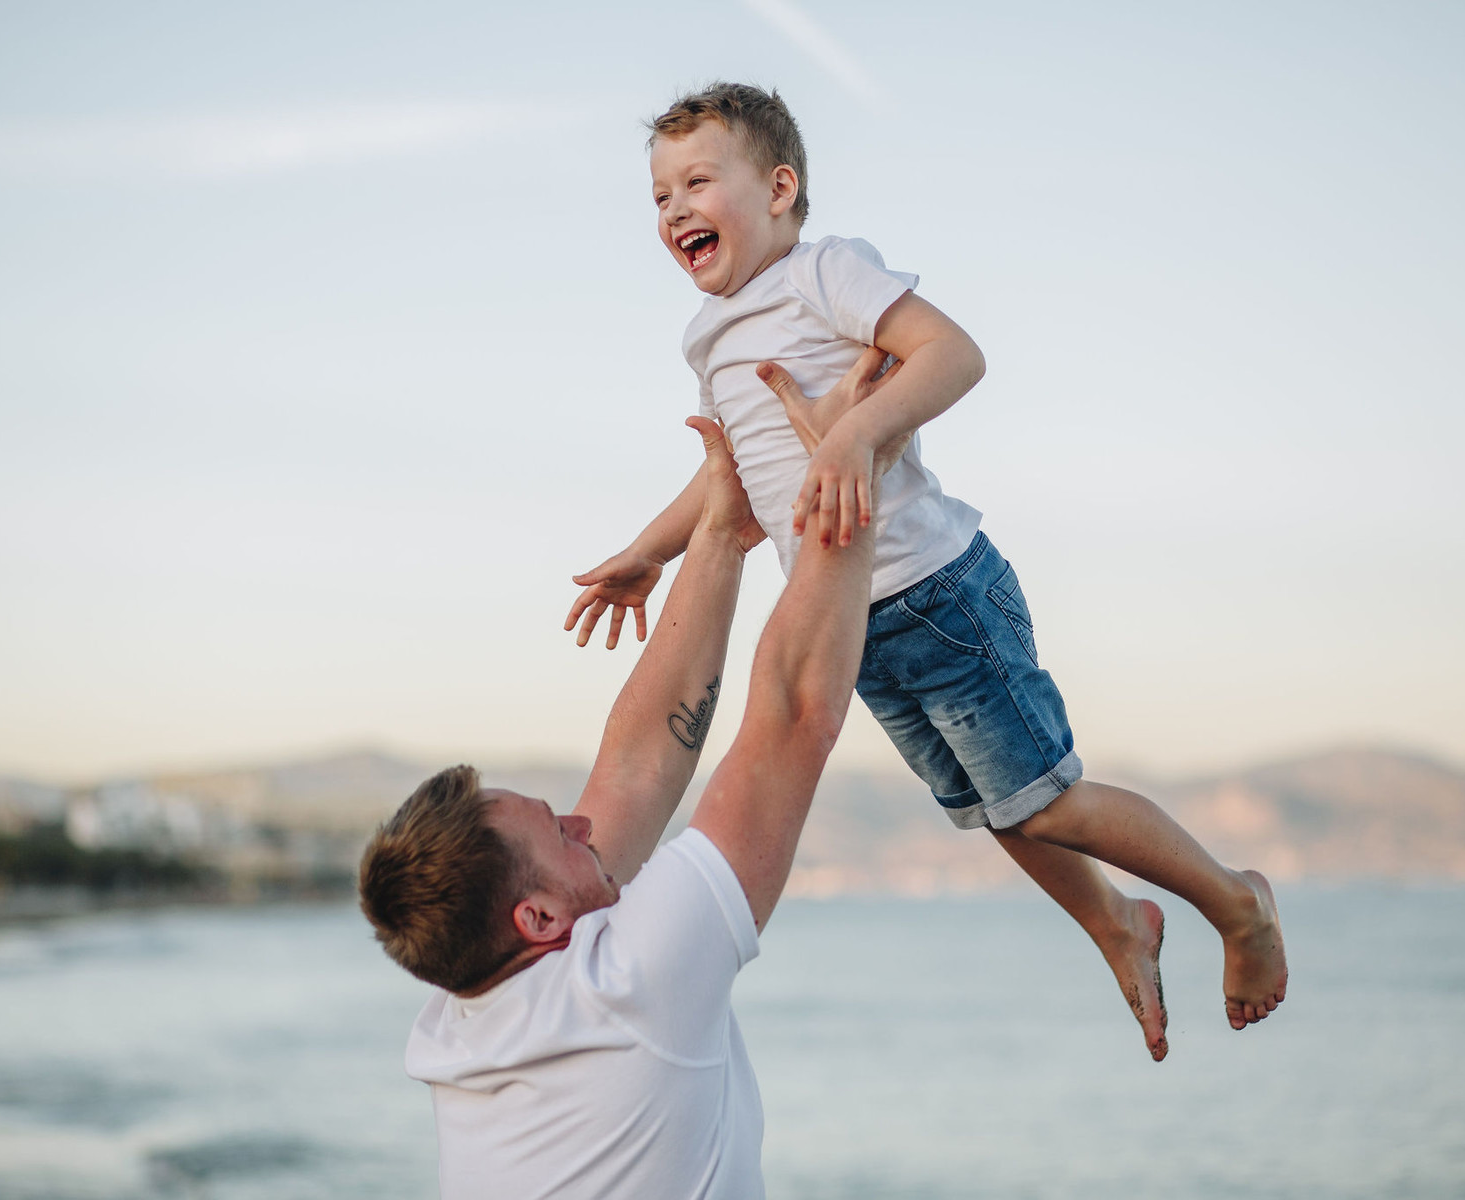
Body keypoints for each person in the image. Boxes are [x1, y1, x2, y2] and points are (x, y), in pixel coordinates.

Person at [564, 82, 1286, 1055]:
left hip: (940, 592)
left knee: (1049, 799)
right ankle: (1117, 924)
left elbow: (953, 353)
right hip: (854, 629)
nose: (676, 208)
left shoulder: (823, 274)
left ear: (779, 189)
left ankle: (1236, 903)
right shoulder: (710, 337)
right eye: (659, 197)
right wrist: (650, 554)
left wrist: (855, 437)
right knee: (998, 812)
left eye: (698, 181)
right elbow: (730, 477)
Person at [360, 359, 905, 1199]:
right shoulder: (630, 984)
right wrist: (849, 463)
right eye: (561, 831)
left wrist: (722, 527)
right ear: (536, 917)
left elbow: (638, 763)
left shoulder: (463, 1012)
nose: (583, 825)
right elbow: (796, 714)